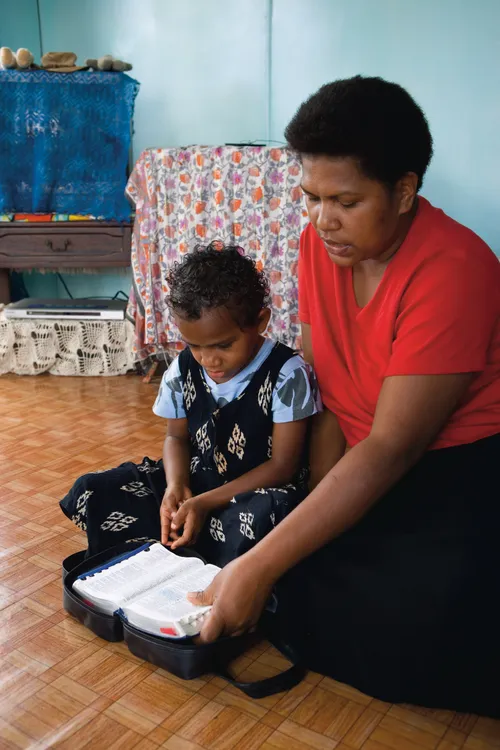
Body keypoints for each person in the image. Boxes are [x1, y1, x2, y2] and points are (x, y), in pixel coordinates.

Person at [187, 77, 500, 716]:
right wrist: (309, 504)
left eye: (346, 201)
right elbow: (323, 389)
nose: (322, 220)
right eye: (310, 197)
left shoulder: (456, 268)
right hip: (360, 456)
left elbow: (391, 446)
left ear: (406, 190)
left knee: (429, 614)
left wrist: (264, 565)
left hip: (453, 467)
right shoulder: (317, 248)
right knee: (270, 536)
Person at [60, 244, 320, 567]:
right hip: (198, 483)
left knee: (272, 518)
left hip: (254, 496)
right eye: (194, 345)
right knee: (94, 490)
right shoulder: (182, 369)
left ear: (261, 321)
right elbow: (176, 438)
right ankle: (188, 548)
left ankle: (196, 554)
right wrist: (176, 486)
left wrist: (204, 503)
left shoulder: (287, 374)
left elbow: (284, 467)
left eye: (224, 345)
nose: (209, 359)